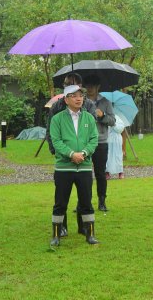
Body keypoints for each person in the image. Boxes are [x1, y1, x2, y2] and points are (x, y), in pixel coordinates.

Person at [46, 72, 96, 237]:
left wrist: (83, 153)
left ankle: (87, 231)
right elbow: (54, 137)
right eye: (73, 95)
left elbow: (93, 138)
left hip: (84, 164)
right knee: (61, 202)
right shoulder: (56, 112)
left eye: (80, 94)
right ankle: (59, 232)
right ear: (66, 96)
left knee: (86, 200)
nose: (78, 98)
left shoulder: (88, 111)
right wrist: (67, 154)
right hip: (64, 165)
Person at [83, 74, 116, 211]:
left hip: (101, 142)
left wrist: (102, 115)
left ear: (98, 87)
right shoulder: (81, 102)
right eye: (87, 86)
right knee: (84, 174)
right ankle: (84, 202)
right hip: (83, 142)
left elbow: (113, 121)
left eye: (92, 86)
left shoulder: (105, 102)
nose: (90, 89)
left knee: (100, 174)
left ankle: (102, 201)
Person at [106, 114, 126, 179]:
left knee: (118, 155)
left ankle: (120, 172)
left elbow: (120, 129)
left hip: (117, 140)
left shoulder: (118, 118)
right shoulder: (105, 117)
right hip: (108, 139)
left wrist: (114, 124)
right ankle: (107, 172)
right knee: (107, 155)